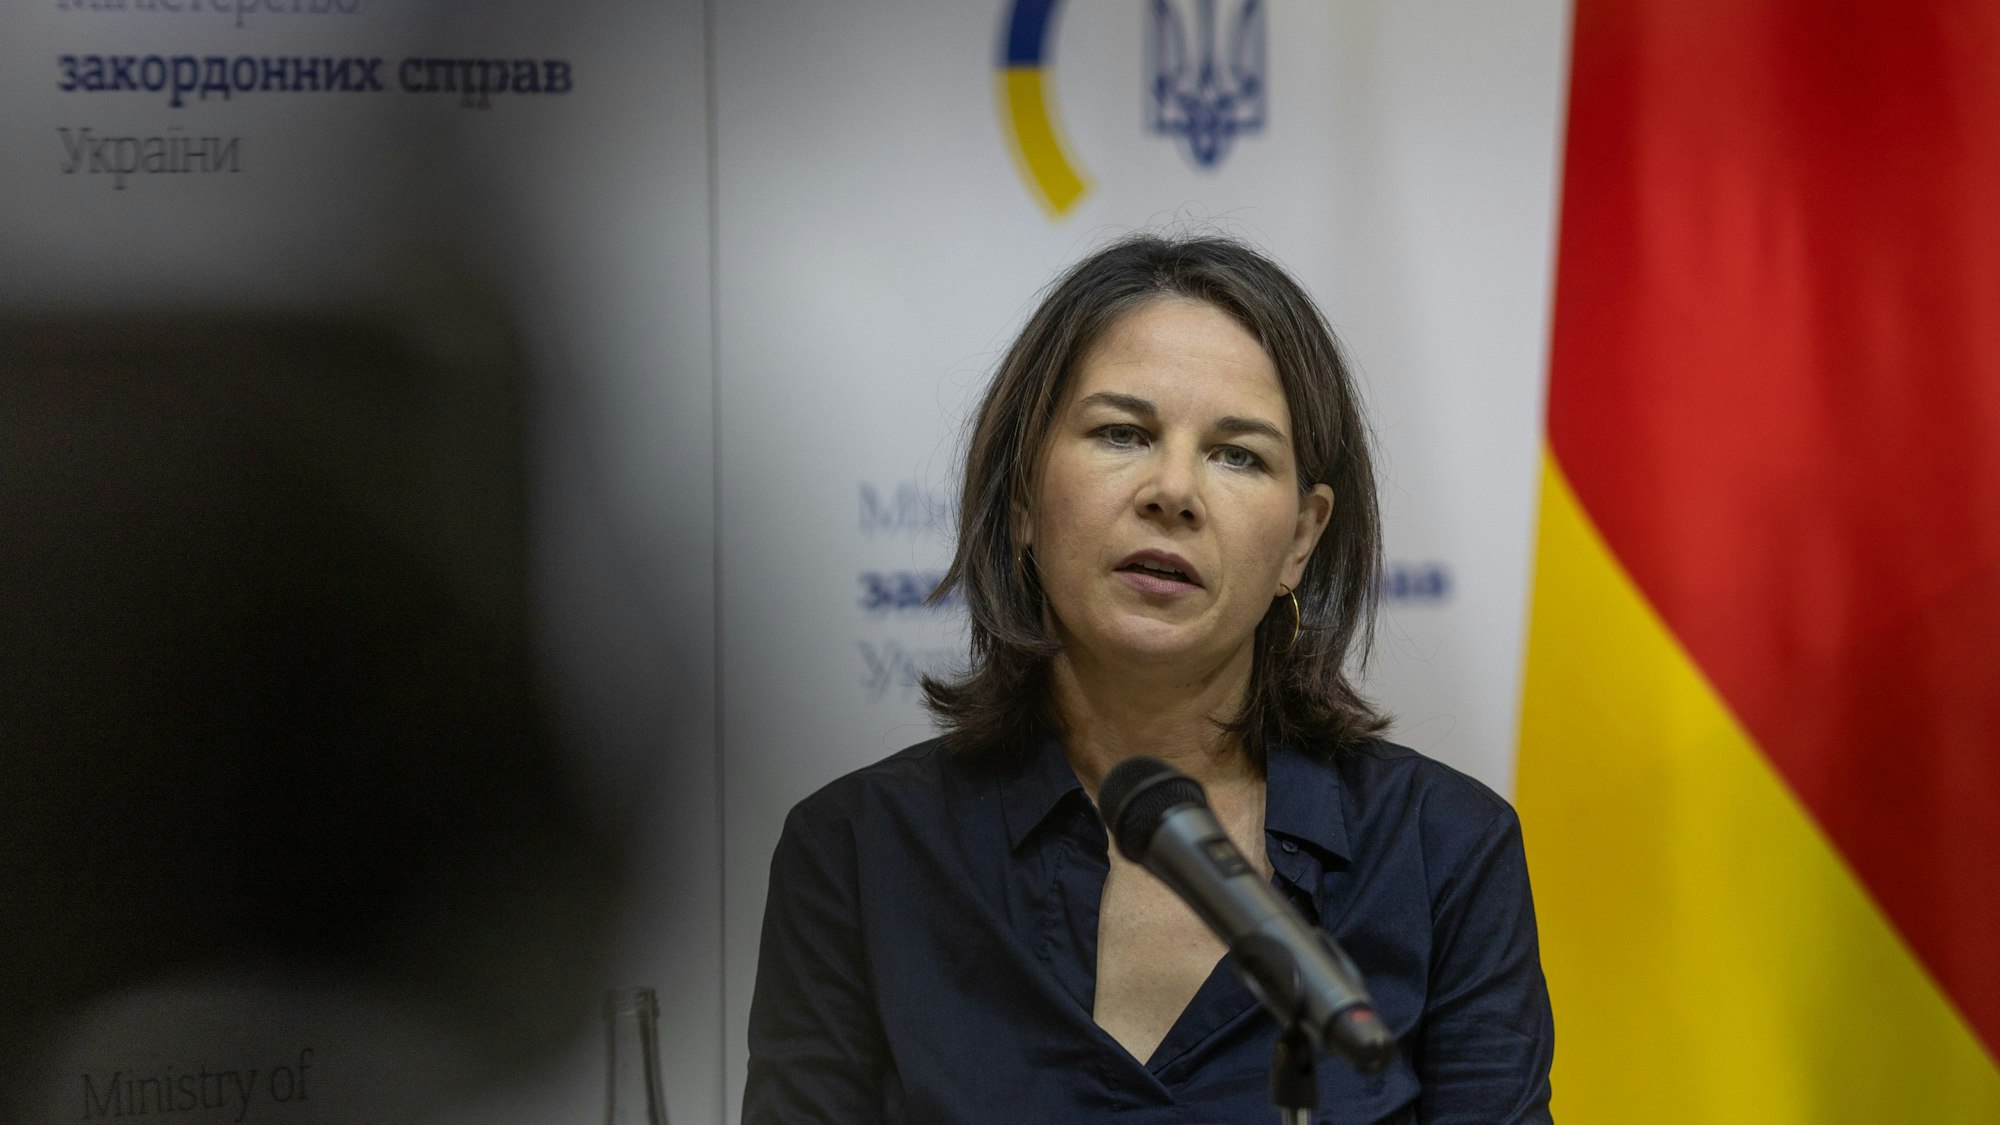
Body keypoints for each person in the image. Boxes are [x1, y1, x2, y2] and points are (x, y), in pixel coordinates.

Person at [744, 234, 1553, 1123]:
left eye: (1237, 454)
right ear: (1021, 497)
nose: (1174, 490)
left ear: (1300, 540)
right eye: (1122, 433)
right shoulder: (861, 853)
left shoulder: (1446, 854)